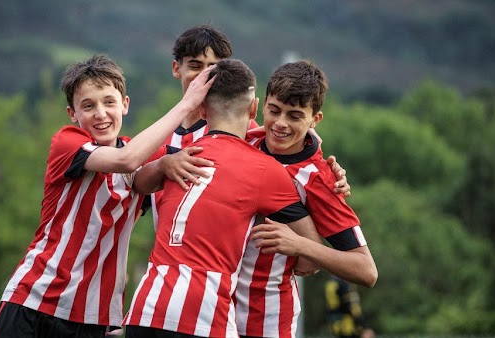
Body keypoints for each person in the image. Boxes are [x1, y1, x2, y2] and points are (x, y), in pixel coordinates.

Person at [0, 55, 215, 338]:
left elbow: (215, 151)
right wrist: (186, 104)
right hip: (35, 299)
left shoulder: (143, 152)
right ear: (73, 114)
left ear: (125, 105)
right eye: (88, 106)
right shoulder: (67, 143)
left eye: (109, 102)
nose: (101, 114)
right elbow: (126, 160)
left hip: (93, 317)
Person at [123, 59, 323, 338]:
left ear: (202, 110)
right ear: (254, 108)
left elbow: (139, 182)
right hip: (203, 316)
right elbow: (312, 255)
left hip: (144, 310)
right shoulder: (265, 169)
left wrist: (163, 164)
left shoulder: (180, 155)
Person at [146, 24, 350, 229]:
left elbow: (292, 160)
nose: (204, 76)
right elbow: (137, 187)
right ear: (176, 69)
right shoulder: (158, 136)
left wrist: (331, 174)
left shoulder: (245, 132)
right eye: (195, 66)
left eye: (213, 68)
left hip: (223, 257)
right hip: (166, 255)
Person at [244, 60, 378, 337]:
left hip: (266, 321)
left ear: (314, 119)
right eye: (274, 111)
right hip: (210, 311)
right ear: (261, 105)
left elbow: (366, 271)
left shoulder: (319, 179)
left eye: (294, 116)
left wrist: (301, 245)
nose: (280, 124)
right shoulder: (243, 141)